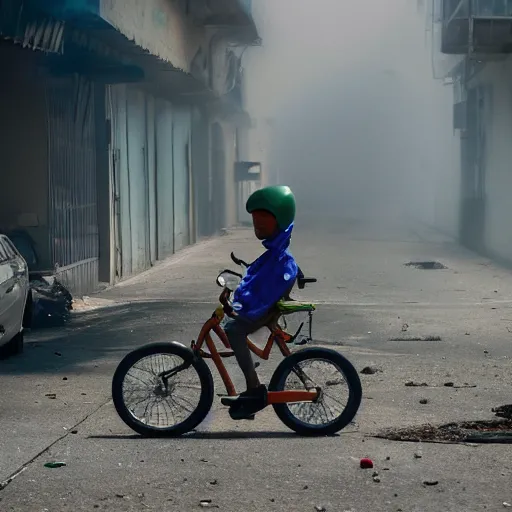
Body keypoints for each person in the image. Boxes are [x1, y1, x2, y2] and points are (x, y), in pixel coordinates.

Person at [222, 185, 298, 420]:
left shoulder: (281, 260)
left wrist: (242, 308)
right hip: (263, 307)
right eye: (256, 219)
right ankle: (250, 375)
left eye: (263, 219)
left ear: (279, 219)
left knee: (233, 330)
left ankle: (254, 388)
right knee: (233, 326)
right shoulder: (274, 254)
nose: (258, 224)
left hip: (265, 311)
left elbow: (265, 294)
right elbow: (255, 279)